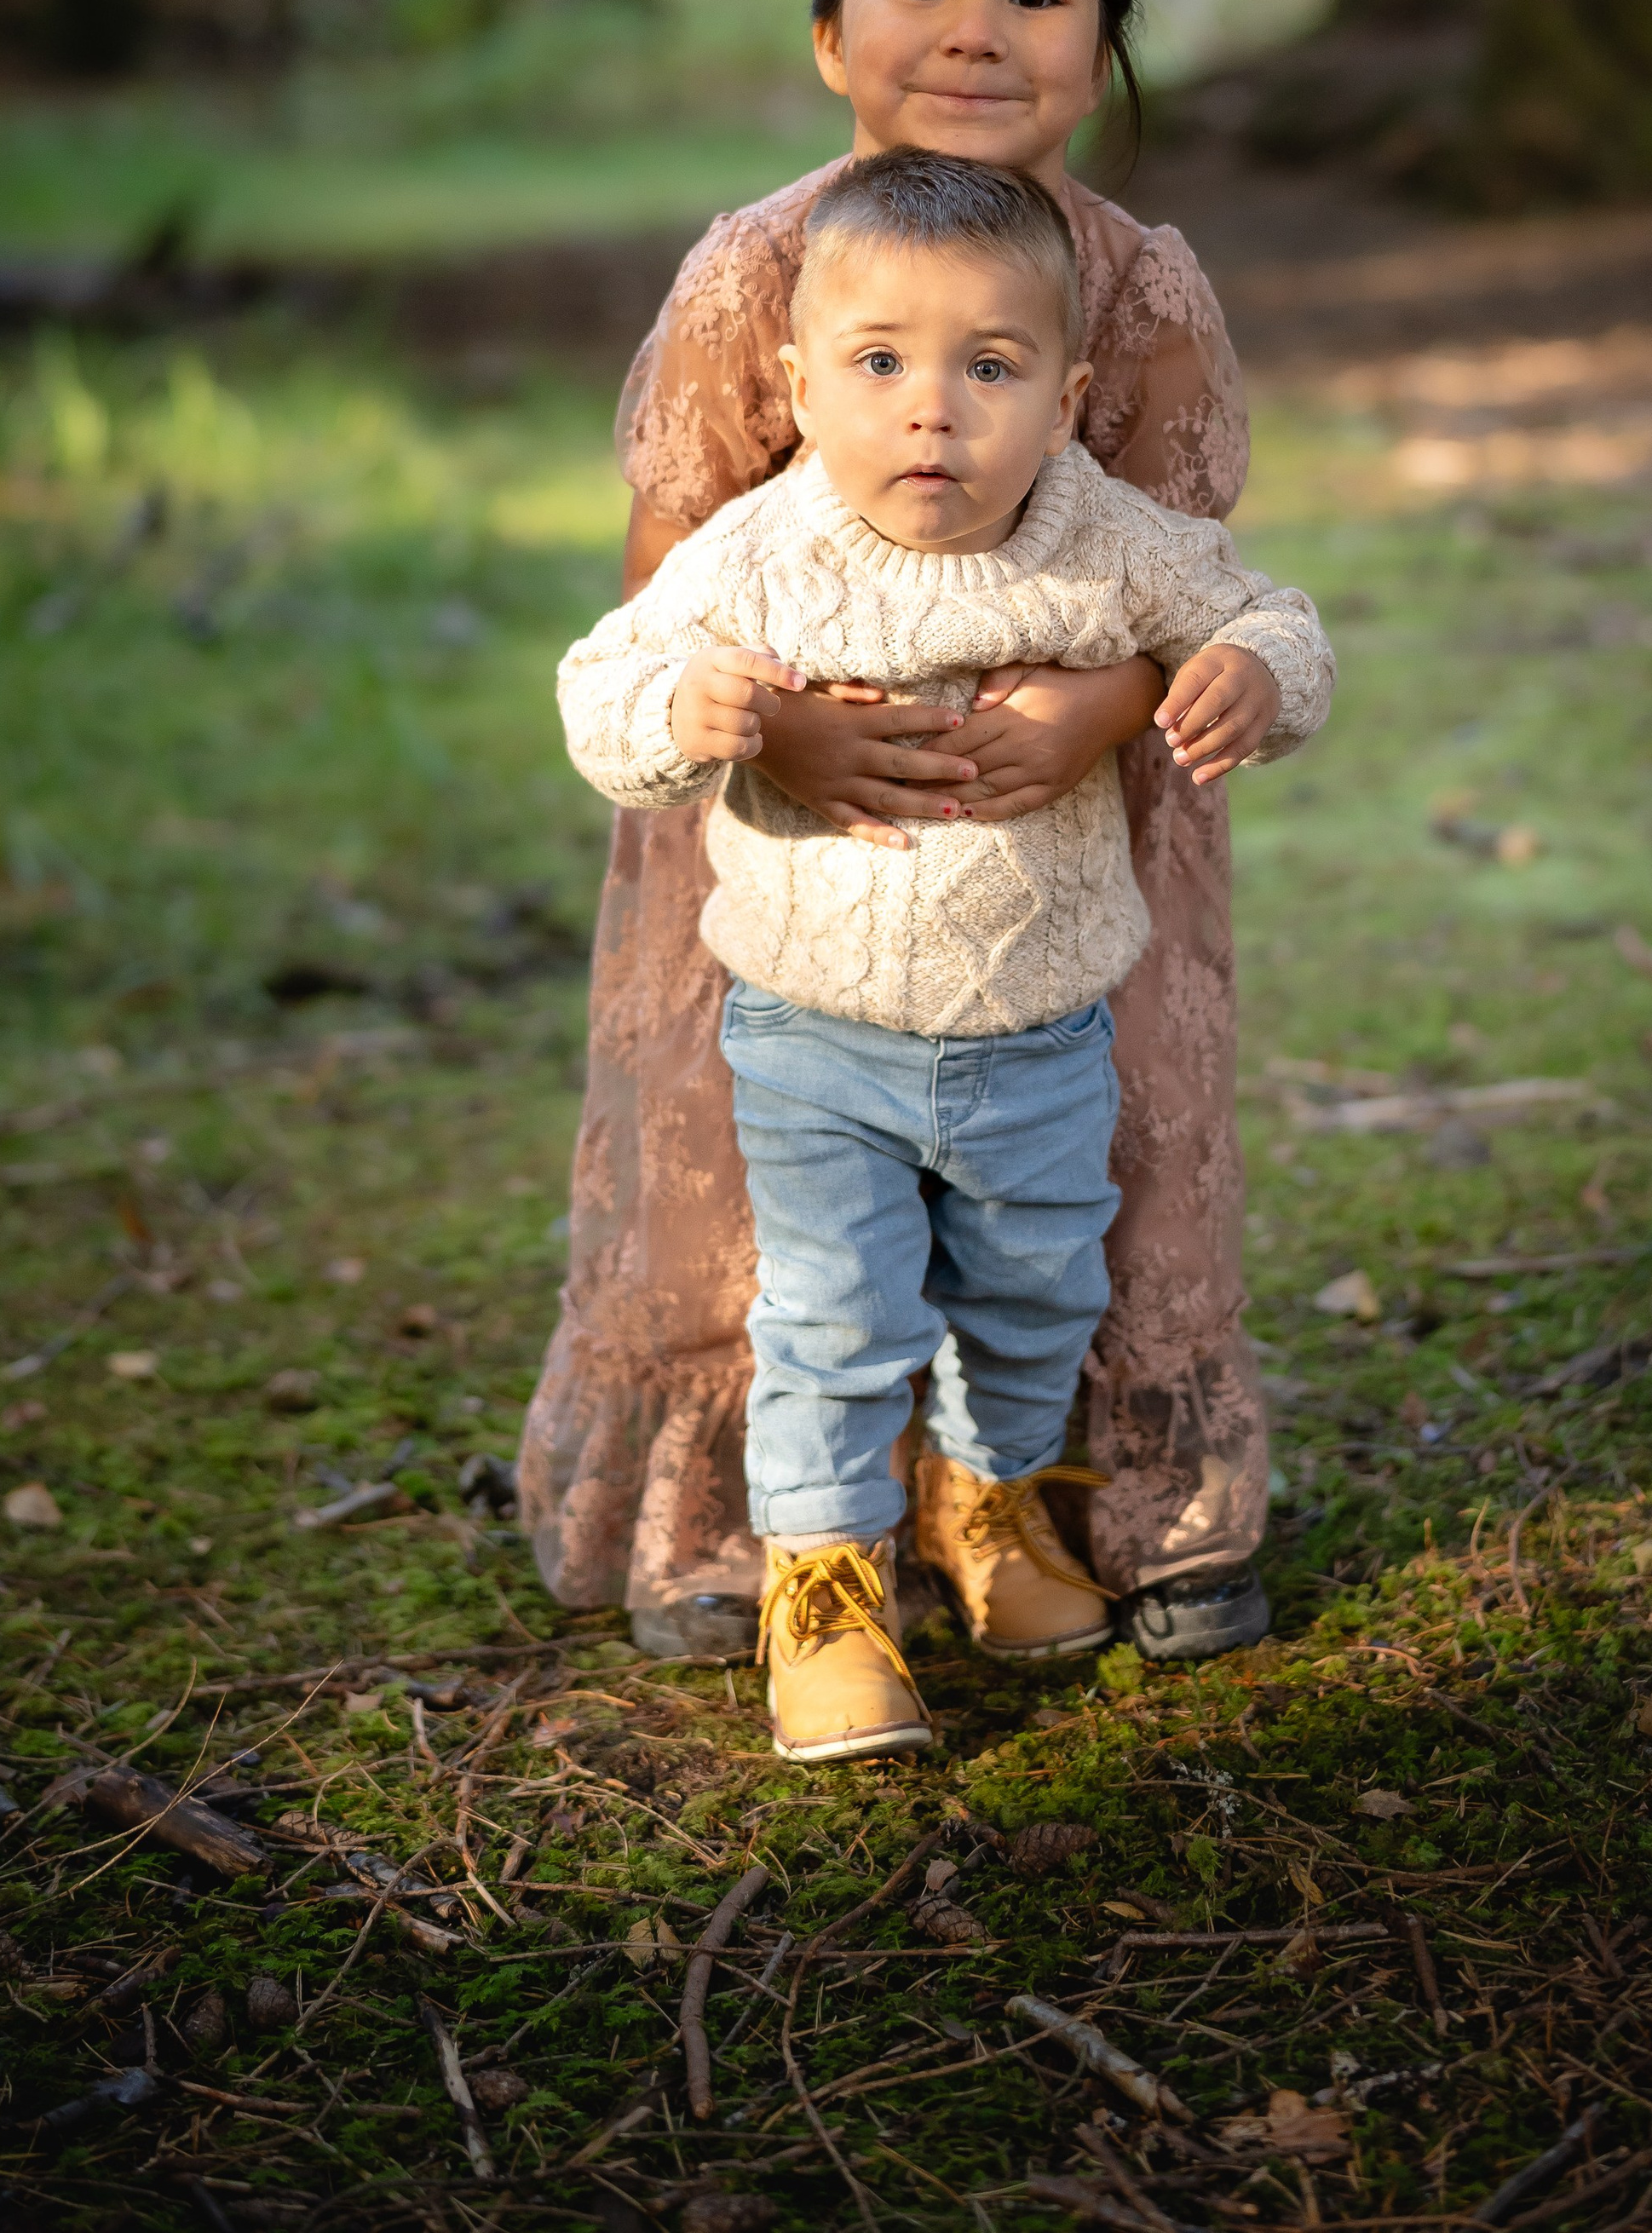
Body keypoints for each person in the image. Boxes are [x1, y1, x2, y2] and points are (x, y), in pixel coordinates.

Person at [517, 0, 1278, 1664]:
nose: (973, 31)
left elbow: (1191, 576)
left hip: (1066, 834)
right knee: (774, 1195)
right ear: (826, 28)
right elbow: (662, 580)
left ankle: (1067, 1492)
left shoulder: (1141, 290)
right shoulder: (756, 274)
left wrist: (1108, 702)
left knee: (1077, 1177)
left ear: (1106, 42)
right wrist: (775, 730)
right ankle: (757, 1525)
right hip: (789, 836)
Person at [555, 150, 1333, 1759]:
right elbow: (600, 686)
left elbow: (1266, 610)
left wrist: (1259, 673)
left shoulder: (1100, 537)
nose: (931, 410)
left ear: (1065, 401)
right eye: (879, 363)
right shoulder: (762, 552)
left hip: (1041, 1037)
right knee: (835, 1320)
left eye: (988, 367)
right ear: (801, 387)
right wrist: (693, 710)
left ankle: (986, 1503)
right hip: (816, 1039)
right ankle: (828, 1588)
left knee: (1040, 1296)